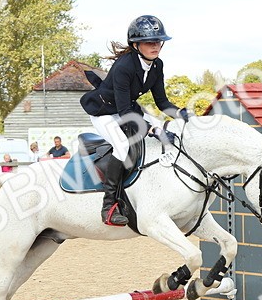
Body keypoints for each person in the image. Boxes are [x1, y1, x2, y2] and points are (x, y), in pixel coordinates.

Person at [80, 14, 189, 226]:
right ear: (136, 44)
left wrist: (183, 115)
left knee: (159, 125)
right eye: (150, 42)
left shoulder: (157, 66)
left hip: (128, 108)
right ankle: (109, 206)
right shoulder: (124, 66)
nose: (156, 45)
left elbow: (162, 101)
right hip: (104, 112)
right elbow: (122, 112)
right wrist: (152, 130)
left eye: (158, 41)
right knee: (121, 146)